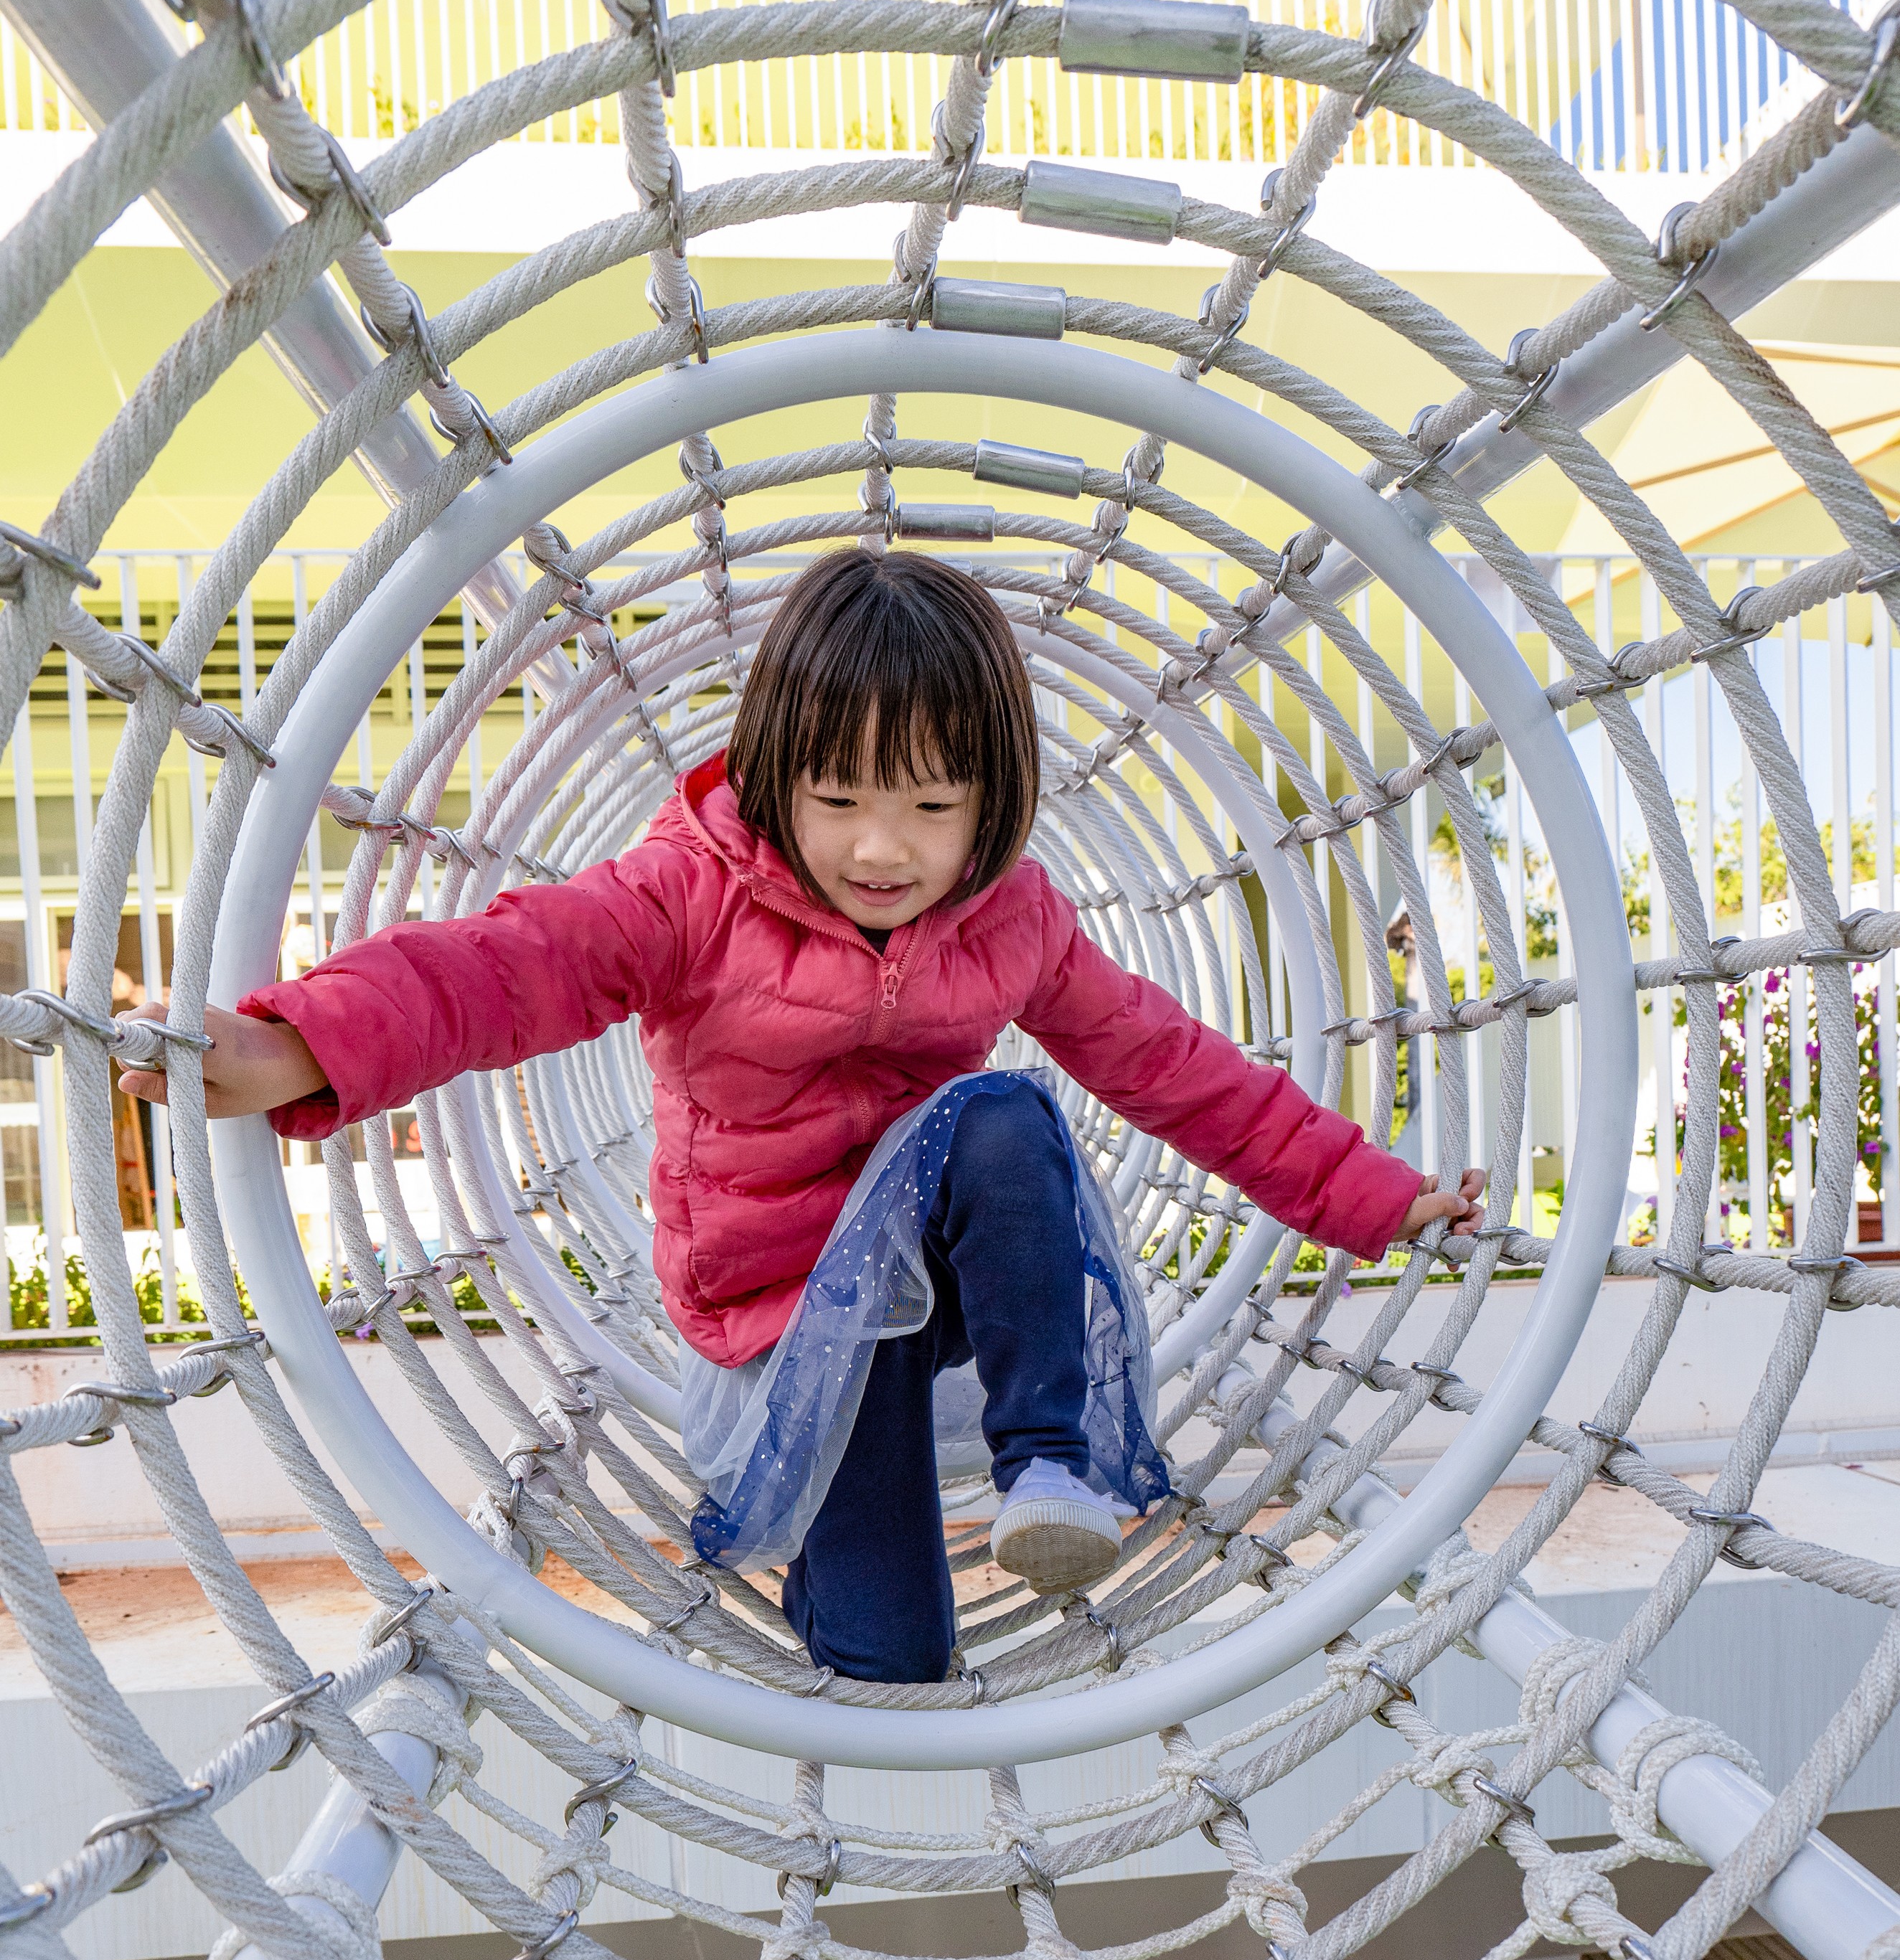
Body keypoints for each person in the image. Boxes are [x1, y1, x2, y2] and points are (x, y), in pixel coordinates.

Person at [121, 550, 1482, 1687]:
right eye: (838, 801)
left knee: (1006, 1115)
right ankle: (823, 1563)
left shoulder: (1015, 922)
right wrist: (305, 1043)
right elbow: (510, 967)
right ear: (778, 776)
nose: (881, 850)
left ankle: (1047, 1464)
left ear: (992, 805)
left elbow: (1177, 1067)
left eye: (932, 808)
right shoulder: (690, 895)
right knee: (897, 1663)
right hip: (787, 1326)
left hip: (942, 1282)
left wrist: (1373, 1196)